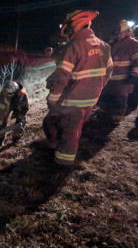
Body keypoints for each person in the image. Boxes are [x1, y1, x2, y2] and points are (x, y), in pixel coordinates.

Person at [38, 10, 113, 167]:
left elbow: (61, 78)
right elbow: (108, 73)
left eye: (69, 27)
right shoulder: (104, 46)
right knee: (68, 126)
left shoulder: (74, 46)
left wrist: (52, 99)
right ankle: (55, 145)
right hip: (91, 99)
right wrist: (95, 89)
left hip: (72, 101)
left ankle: (62, 163)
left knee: (69, 132)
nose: (67, 31)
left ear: (76, 25)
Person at [98, 20, 138, 121]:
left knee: (119, 102)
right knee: (106, 101)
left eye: (119, 33)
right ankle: (104, 118)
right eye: (115, 33)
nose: (117, 35)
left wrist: (133, 76)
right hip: (108, 81)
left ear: (128, 32)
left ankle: (114, 122)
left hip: (123, 82)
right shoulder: (111, 43)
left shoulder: (134, 44)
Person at [0, 81, 29, 146]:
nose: (8, 95)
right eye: (7, 94)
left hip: (19, 105)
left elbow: (25, 108)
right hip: (8, 105)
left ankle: (16, 138)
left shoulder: (22, 94)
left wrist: (19, 117)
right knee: (1, 122)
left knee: (21, 121)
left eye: (10, 94)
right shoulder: (3, 94)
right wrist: (0, 125)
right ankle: (1, 140)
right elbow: (0, 111)